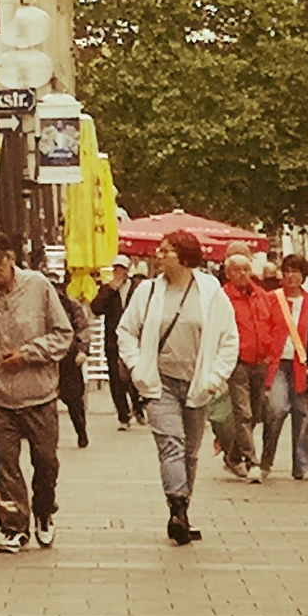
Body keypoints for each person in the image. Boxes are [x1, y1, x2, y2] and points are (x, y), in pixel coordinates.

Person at [117, 230, 238, 545]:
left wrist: (214, 378)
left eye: (166, 251)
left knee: (190, 451)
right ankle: (177, 507)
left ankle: (183, 508)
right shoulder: (147, 292)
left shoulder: (211, 292)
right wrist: (137, 366)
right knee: (170, 443)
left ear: (184, 258)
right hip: (160, 383)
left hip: (197, 384)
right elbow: (126, 331)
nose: (158, 255)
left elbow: (228, 339)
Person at [0, 232, 74, 554]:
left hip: (38, 393)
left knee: (46, 461)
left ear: (11, 259)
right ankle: (15, 526)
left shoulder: (38, 286)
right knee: (4, 465)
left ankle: (44, 511)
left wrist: (28, 353)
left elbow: (63, 334)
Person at [221, 252, 281, 482]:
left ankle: (233, 456)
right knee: (243, 413)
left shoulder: (262, 296)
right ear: (228, 274)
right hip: (237, 362)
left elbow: (273, 325)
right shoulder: (223, 298)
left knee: (256, 414)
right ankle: (251, 461)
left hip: (260, 361)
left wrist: (270, 354)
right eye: (236, 270)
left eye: (245, 269)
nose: (242, 274)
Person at [262, 253, 308, 480]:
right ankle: (266, 460)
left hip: (302, 365)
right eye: (288, 270)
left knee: (302, 414)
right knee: (277, 408)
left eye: (297, 271)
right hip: (277, 363)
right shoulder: (273, 299)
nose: (292, 276)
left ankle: (302, 463)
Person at [91, 255, 146, 429]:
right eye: (116, 269)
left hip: (134, 339)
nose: (118, 272)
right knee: (116, 378)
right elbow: (96, 308)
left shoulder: (137, 289)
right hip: (113, 340)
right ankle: (123, 415)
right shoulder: (107, 289)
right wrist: (110, 290)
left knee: (135, 375)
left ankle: (138, 407)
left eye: (122, 269)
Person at [55, 281, 92, 448]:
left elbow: (82, 327)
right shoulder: (34, 305)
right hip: (45, 358)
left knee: (74, 401)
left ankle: (81, 432)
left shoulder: (71, 305)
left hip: (69, 356)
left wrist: (83, 349)